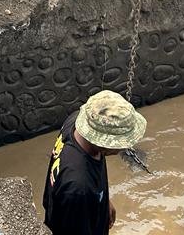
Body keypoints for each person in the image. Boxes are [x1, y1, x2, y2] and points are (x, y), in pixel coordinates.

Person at [43, 90, 146, 235]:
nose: (125, 146)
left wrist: (103, 201)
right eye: (122, 142)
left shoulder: (76, 123)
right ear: (104, 142)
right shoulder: (79, 187)